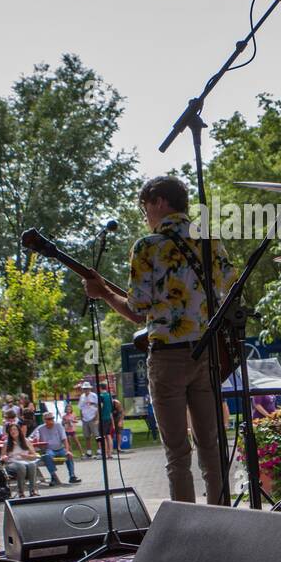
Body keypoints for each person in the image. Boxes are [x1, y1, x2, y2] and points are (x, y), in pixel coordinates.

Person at [84, 175, 237, 504]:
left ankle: (185, 530)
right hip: (207, 353)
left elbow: (138, 309)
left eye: (145, 208)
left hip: (168, 356)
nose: (146, 216)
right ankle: (224, 519)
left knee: (177, 453)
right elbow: (230, 286)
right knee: (211, 447)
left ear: (158, 202)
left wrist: (104, 293)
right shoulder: (208, 237)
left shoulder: (147, 247)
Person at [29, 411, 81, 487]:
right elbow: (30, 437)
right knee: (47, 456)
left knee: (69, 455)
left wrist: (67, 451)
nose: (51, 420)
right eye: (49, 419)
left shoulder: (58, 426)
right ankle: (53, 476)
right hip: (49, 449)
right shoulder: (40, 428)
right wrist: (34, 438)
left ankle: (72, 476)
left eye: (52, 418)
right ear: (44, 420)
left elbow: (64, 439)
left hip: (60, 448)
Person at [1, 423, 42, 497]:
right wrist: (4, 457)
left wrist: (26, 456)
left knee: (32, 464)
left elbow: (34, 455)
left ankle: (33, 491)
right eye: (11, 430)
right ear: (9, 432)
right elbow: (2, 455)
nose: (13, 431)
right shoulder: (6, 443)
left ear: (19, 431)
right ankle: (21, 492)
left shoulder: (25, 441)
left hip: (26, 461)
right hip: (12, 462)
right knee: (21, 466)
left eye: (15, 429)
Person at [78, 382, 100, 458]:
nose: (86, 390)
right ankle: (89, 452)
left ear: (90, 388)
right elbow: (80, 408)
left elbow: (98, 406)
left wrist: (97, 418)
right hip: (85, 419)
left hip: (93, 417)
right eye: (84, 388)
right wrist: (81, 417)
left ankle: (100, 450)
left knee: (97, 435)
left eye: (87, 388)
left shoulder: (94, 395)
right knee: (87, 436)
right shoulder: (82, 396)